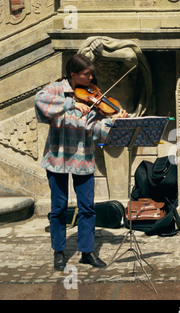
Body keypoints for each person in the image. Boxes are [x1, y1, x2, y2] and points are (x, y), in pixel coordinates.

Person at [35, 54, 128, 271]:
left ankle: (87, 252)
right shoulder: (56, 90)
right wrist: (71, 103)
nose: (91, 77)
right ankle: (59, 252)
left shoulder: (93, 97)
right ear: (74, 74)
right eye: (87, 74)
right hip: (57, 158)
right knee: (58, 208)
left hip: (83, 158)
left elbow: (95, 131)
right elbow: (39, 102)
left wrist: (113, 123)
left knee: (87, 207)